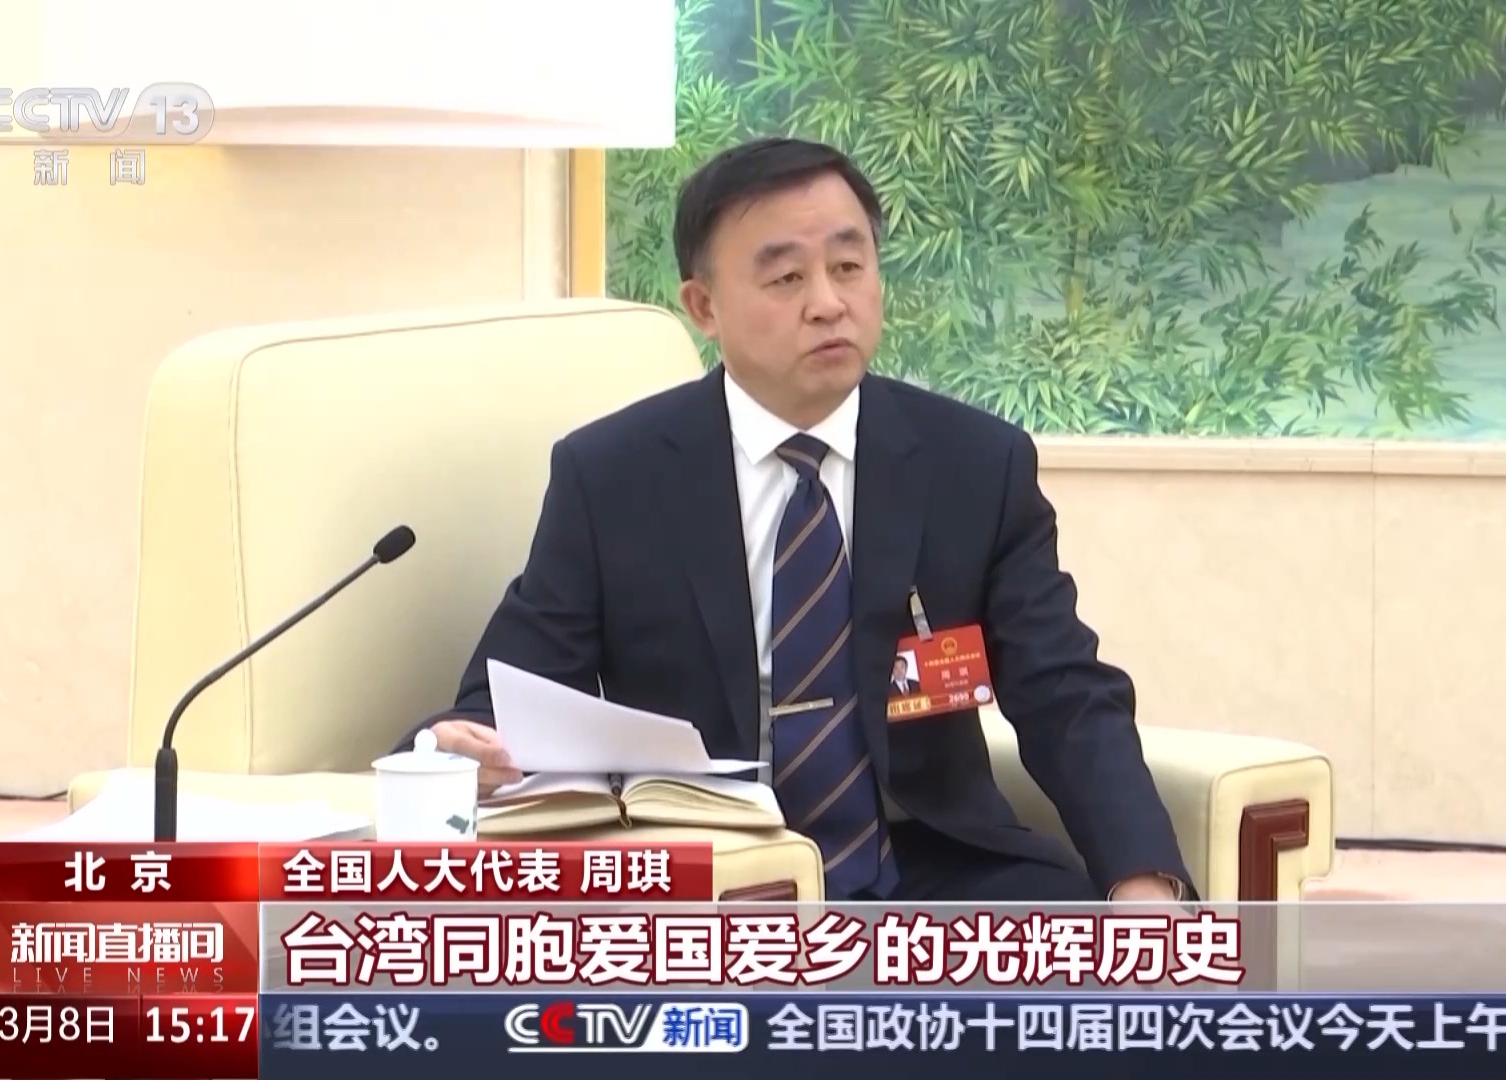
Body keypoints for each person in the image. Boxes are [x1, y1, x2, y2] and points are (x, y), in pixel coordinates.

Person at [414, 137, 1190, 904]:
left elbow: (1063, 692)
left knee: (1081, 942)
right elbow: (505, 695)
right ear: (704, 306)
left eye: (849, 267)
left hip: (928, 863)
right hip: (713, 875)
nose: (828, 303)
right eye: (787, 277)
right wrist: (457, 749)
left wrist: (1144, 879)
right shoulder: (614, 476)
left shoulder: (975, 465)